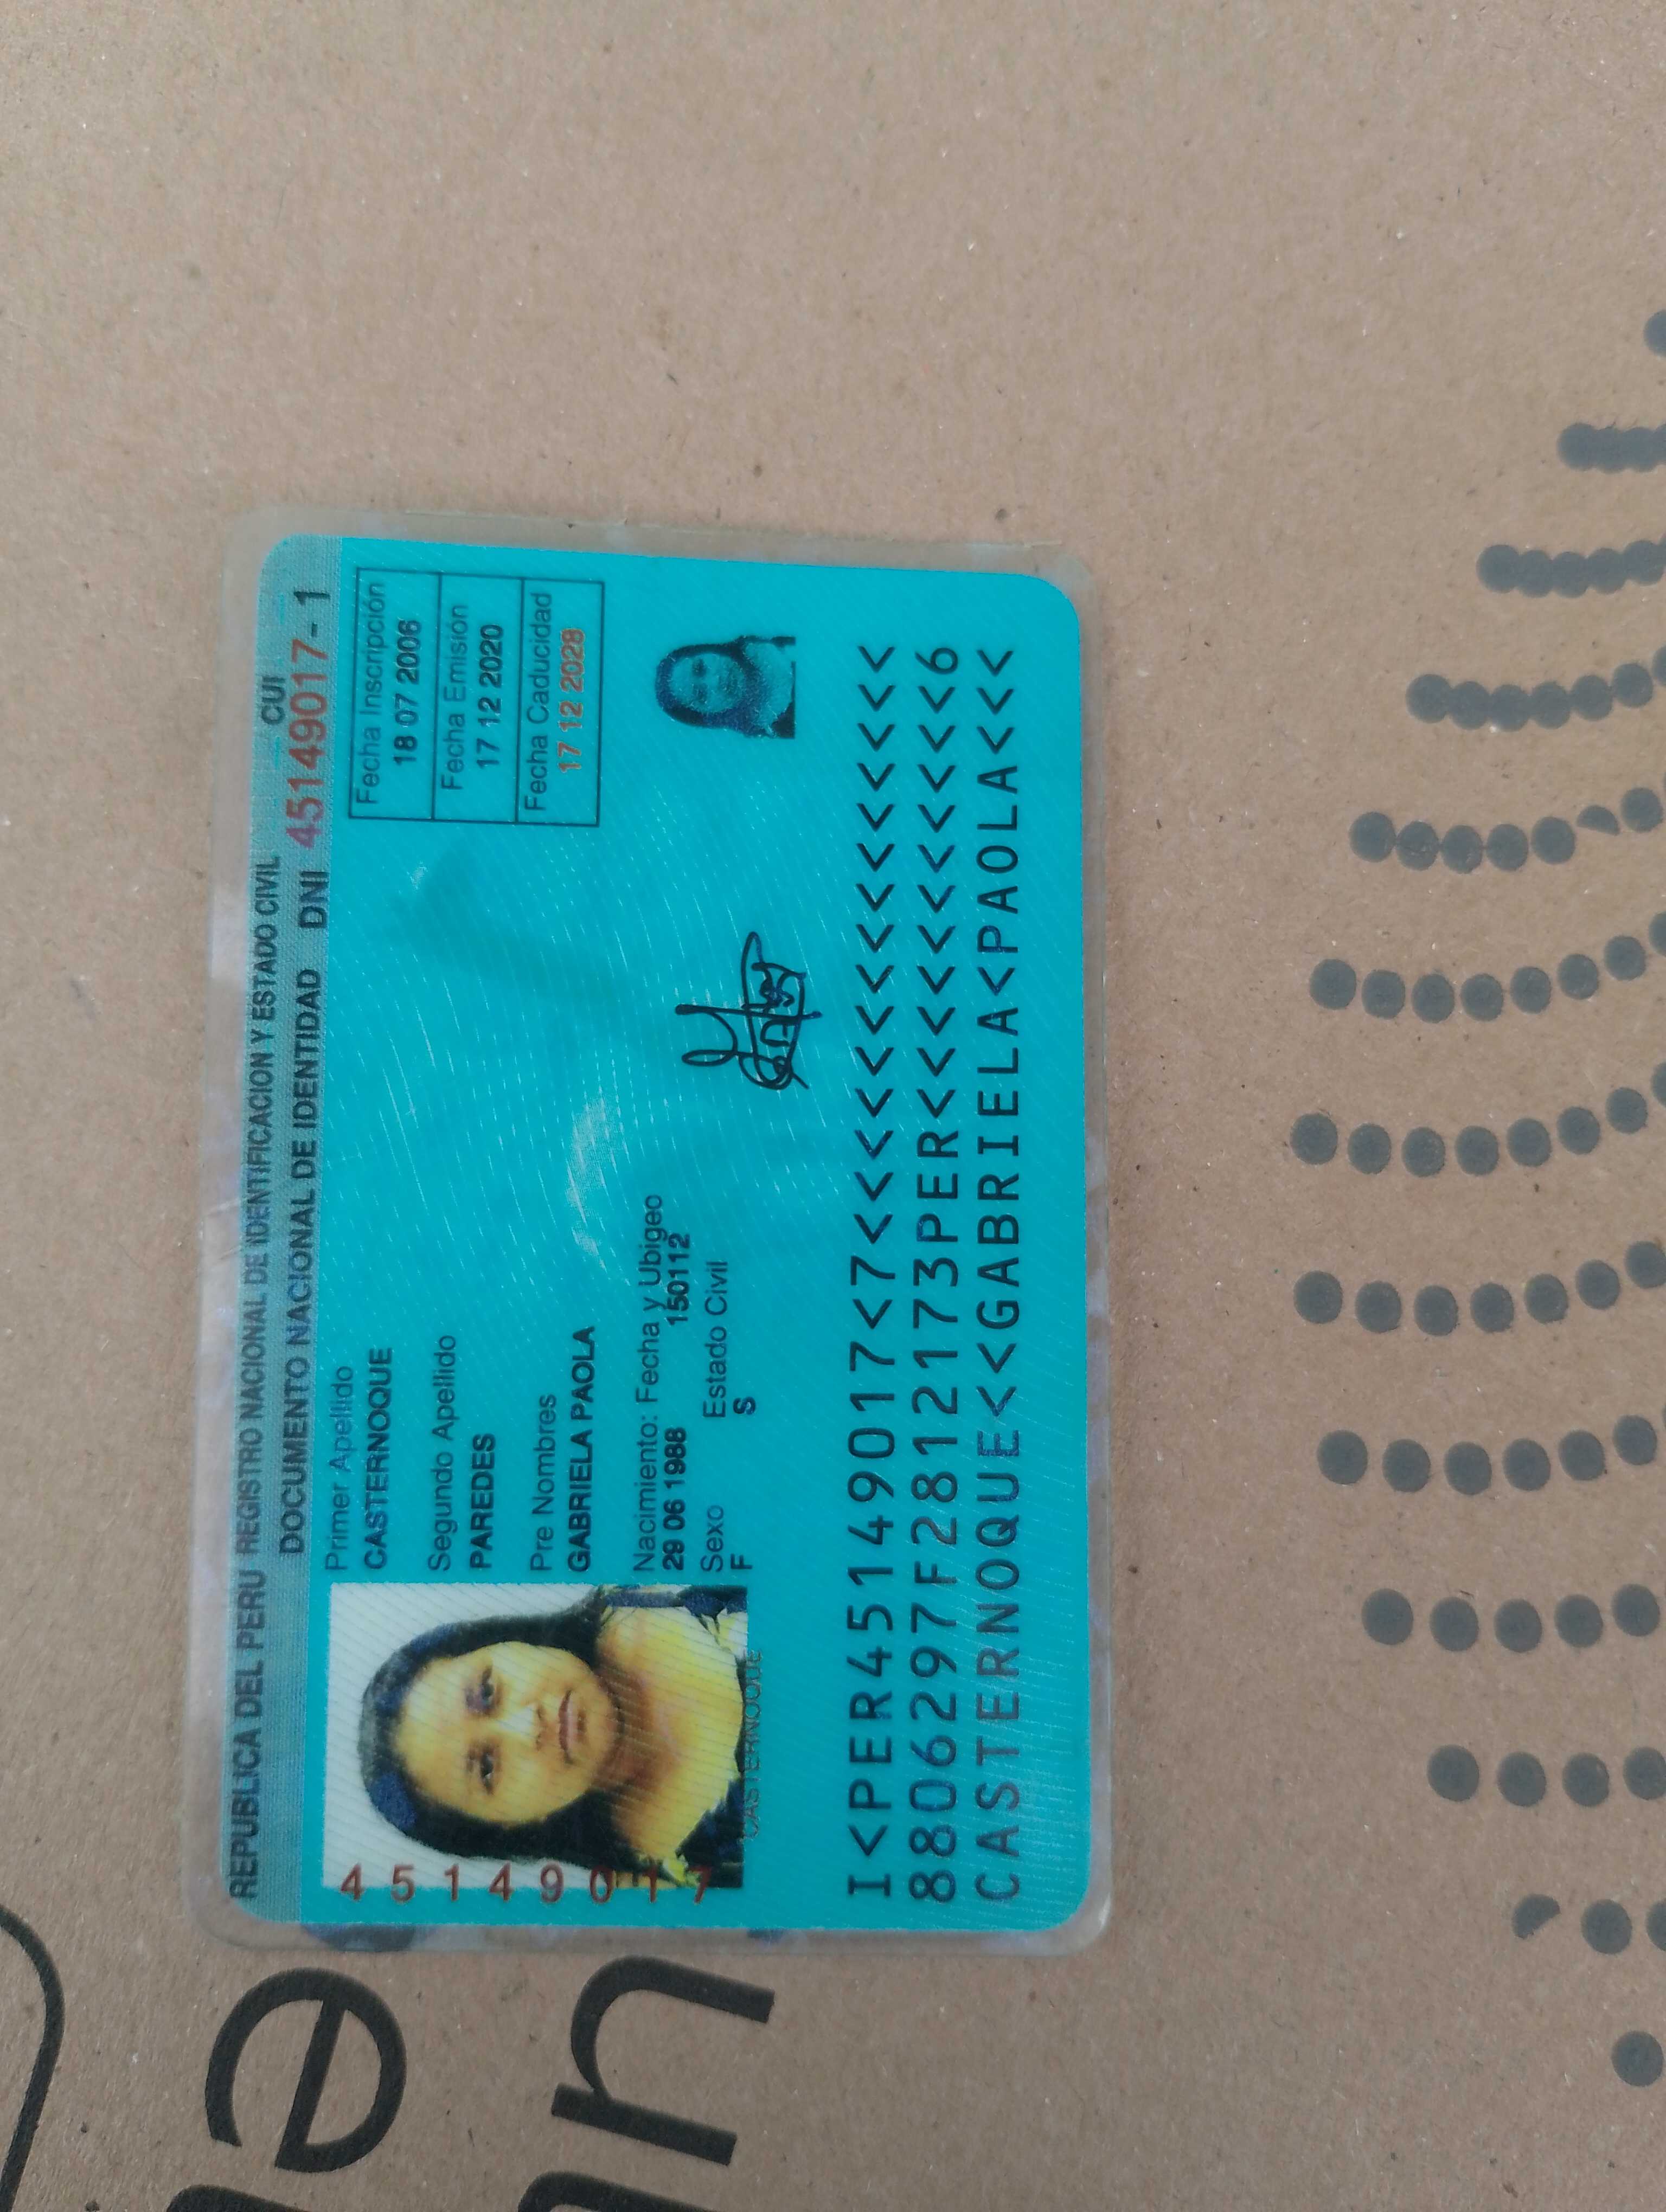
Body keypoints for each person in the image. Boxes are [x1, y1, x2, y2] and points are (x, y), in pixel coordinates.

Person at [358, 1586, 746, 1887]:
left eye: (487, 1693)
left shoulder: (656, 1581)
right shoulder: (656, 1888)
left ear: (505, 1640)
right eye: (488, 1768)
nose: (527, 1725)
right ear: (514, 1825)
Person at [654, 637, 796, 736]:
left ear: (706, 650)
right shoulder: (778, 729)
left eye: (700, 668)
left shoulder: (778, 640)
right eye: (701, 695)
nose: (715, 682)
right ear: (708, 714)